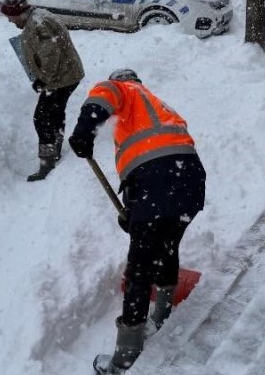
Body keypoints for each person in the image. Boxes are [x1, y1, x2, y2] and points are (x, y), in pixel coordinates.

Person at [69, 69, 206, 374]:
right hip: (190, 180)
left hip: (160, 179)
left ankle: (125, 356)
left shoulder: (122, 89)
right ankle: (163, 314)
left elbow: (103, 95)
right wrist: (136, 214)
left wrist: (84, 130)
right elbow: (153, 161)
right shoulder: (156, 107)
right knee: (167, 245)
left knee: (140, 268)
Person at [0, 0, 85, 182]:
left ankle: (48, 161)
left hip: (61, 78)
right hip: (65, 74)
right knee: (55, 112)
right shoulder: (36, 18)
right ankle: (56, 148)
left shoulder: (38, 24)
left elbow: (51, 56)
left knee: (42, 117)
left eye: (10, 17)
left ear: (18, 13)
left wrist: (42, 80)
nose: (10, 21)